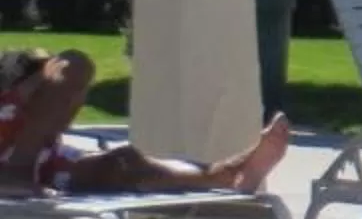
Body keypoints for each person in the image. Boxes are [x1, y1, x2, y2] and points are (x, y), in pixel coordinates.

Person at [0, 48, 290, 197]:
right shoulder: (12, 102)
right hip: (18, 165)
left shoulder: (34, 123)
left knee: (124, 161)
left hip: (46, 168)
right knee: (73, 62)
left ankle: (222, 175)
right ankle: (15, 173)